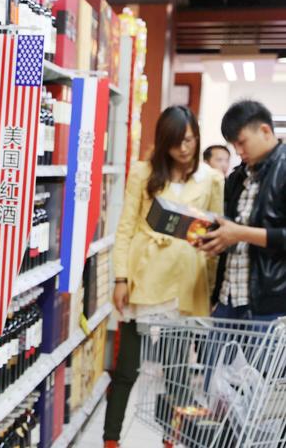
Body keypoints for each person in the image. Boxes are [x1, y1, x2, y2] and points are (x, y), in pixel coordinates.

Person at [103, 105, 224, 448]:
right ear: (163, 142)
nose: (184, 148)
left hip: (185, 284)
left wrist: (211, 288)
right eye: (175, 142)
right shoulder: (143, 173)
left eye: (189, 139)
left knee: (178, 375)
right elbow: (125, 229)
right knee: (126, 370)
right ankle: (110, 440)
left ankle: (173, 440)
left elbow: (217, 234)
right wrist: (120, 278)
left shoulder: (211, 178)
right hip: (142, 281)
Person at [199, 100, 286, 322]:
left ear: (265, 131)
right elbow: (231, 228)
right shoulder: (238, 177)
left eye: (242, 142)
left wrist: (239, 233)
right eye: (233, 145)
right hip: (228, 297)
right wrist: (215, 238)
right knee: (213, 357)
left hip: (269, 306)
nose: (238, 151)